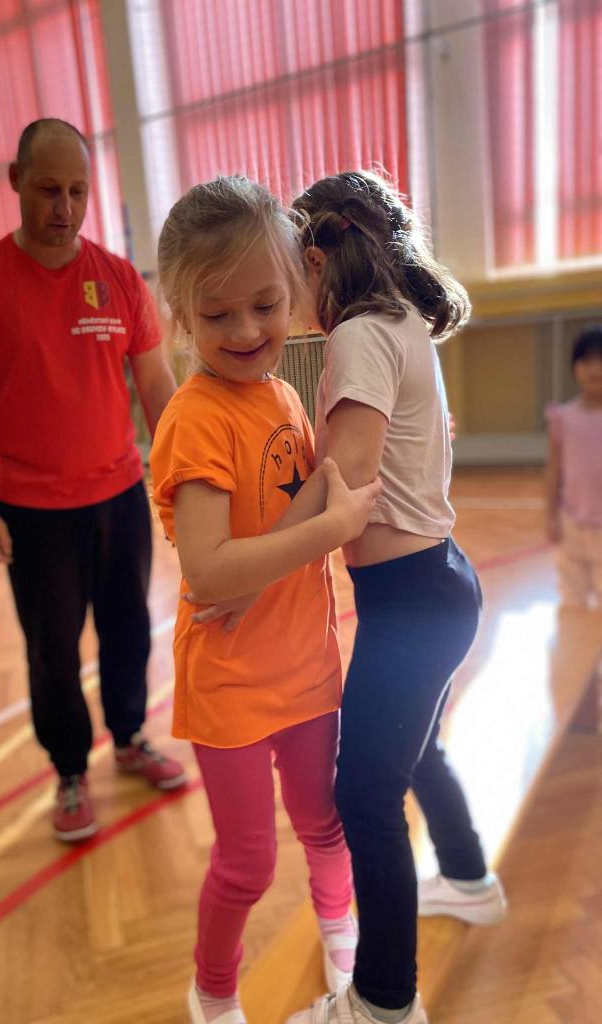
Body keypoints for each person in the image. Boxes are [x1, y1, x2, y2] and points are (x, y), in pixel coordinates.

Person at [276, 172, 507, 1024]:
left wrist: (247, 565)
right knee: (418, 753)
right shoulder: (400, 321)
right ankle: (469, 877)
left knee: (366, 796)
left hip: (411, 601)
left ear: (315, 259)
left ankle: (382, 1001)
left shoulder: (361, 335)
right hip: (438, 585)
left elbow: (348, 484)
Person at [151, 176, 382, 1024]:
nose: (247, 331)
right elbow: (209, 571)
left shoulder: (281, 394)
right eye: (218, 315)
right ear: (181, 316)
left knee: (325, 826)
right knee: (247, 864)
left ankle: (340, 933)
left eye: (266, 305)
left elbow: (305, 490)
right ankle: (213, 990)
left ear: (296, 287)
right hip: (232, 690)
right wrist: (327, 531)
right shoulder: (196, 418)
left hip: (307, 670)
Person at [0, 118, 185, 843]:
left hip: (120, 496)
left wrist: (184, 475)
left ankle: (130, 737)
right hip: (32, 511)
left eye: (77, 191)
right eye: (47, 190)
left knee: (129, 629)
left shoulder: (119, 279)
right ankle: (70, 770)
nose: (64, 208)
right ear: (15, 181)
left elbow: (157, 384)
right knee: (52, 652)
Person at [546, 325, 602, 608]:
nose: (595, 368)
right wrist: (551, 517)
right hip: (571, 524)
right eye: (587, 360)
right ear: (575, 368)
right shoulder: (563, 417)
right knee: (572, 601)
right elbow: (554, 470)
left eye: (601, 359)